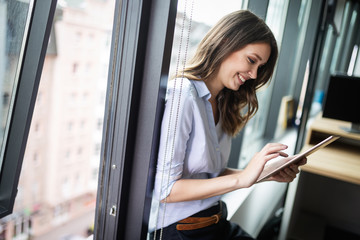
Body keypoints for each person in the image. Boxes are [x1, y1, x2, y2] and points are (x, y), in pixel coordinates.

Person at [151, 9, 306, 240]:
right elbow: (166, 190)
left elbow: (209, 175)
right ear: (225, 42)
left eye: (260, 67)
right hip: (182, 231)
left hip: (214, 221)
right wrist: (242, 179)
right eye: (252, 61)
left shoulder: (223, 101)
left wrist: (263, 174)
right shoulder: (183, 94)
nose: (254, 74)